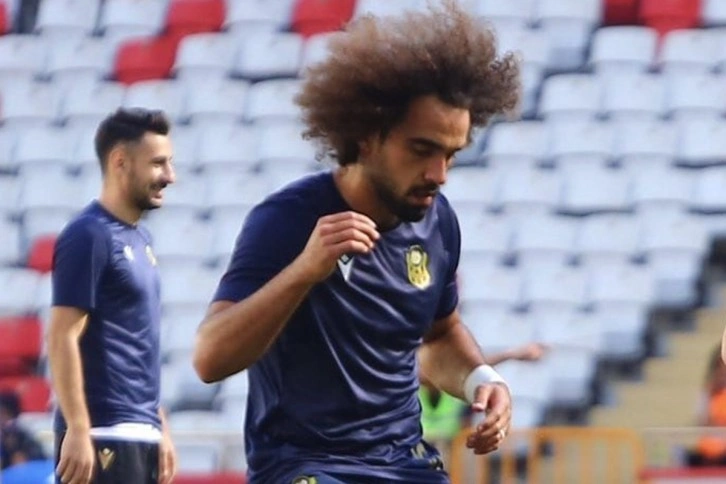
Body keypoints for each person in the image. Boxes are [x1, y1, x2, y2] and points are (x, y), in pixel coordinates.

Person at [193, 1, 520, 482]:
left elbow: (439, 334)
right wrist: (304, 272)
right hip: (306, 467)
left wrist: (482, 380)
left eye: (451, 154)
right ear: (367, 136)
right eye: (422, 150)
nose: (439, 174)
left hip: (404, 464)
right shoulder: (289, 219)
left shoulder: (438, 222)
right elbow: (210, 358)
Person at [47, 108, 177, 484]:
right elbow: (62, 335)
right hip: (102, 433)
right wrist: (77, 428)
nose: (170, 176)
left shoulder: (141, 239)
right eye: (158, 163)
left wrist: (159, 425)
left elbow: (137, 343)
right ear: (120, 161)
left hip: (141, 433)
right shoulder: (89, 235)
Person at [419, 343, 549, 468]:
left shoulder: (453, 387)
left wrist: (511, 355)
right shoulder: (416, 387)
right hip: (422, 446)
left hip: (451, 446)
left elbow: (476, 369)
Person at [687, 344, 726, 467]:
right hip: (708, 452)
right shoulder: (708, 393)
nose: (722, 373)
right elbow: (702, 422)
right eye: (719, 368)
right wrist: (709, 395)